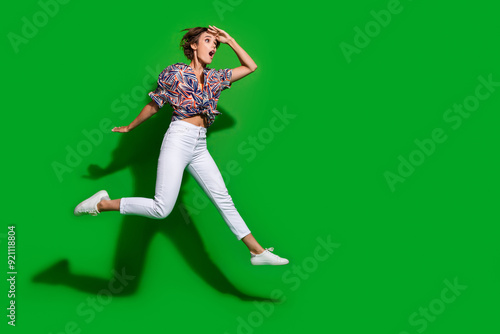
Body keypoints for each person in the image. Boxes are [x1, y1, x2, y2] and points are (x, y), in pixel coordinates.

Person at [74, 25, 288, 266]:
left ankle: (257, 252)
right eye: (208, 41)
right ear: (194, 46)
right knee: (161, 208)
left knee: (222, 197)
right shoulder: (174, 73)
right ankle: (101, 204)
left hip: (199, 144)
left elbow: (251, 67)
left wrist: (230, 41)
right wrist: (130, 127)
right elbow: (155, 104)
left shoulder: (214, 78)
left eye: (216, 44)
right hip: (178, 138)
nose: (214, 46)